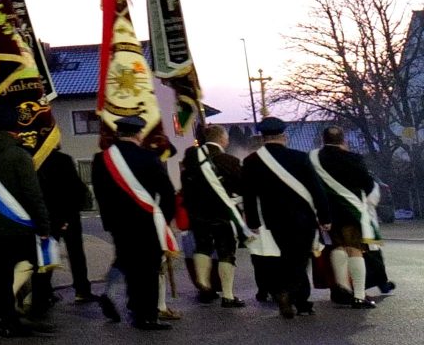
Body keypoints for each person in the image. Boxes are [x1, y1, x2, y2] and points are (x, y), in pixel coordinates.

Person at [0, 94, 54, 337]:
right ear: (15, 128)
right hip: (17, 228)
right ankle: (19, 313)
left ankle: (2, 317)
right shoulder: (19, 156)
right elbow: (33, 195)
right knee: (30, 265)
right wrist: (44, 226)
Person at [91, 116, 175, 329]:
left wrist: (109, 222)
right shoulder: (148, 157)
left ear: (118, 134)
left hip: (119, 223)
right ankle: (146, 315)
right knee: (148, 269)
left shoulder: (101, 159)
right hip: (147, 222)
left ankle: (124, 302)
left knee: (127, 262)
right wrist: (164, 220)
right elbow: (167, 192)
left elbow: (101, 195)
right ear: (138, 134)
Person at [239, 116, 321, 319]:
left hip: (273, 218)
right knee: (301, 258)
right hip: (303, 217)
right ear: (284, 136)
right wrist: (325, 216)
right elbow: (316, 189)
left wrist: (253, 221)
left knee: (285, 256)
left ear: (263, 138)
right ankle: (299, 299)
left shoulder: (251, 161)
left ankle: (286, 293)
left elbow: (249, 195)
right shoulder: (300, 157)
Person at [310, 125, 380, 310]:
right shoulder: (354, 158)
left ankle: (343, 287)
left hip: (327, 212)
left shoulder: (313, 159)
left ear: (323, 140)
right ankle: (358, 296)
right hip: (351, 210)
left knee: (337, 246)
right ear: (343, 140)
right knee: (355, 249)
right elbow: (367, 183)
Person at [179, 125, 249, 308]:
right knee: (226, 252)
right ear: (222, 139)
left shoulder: (191, 158)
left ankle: (203, 281)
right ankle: (228, 295)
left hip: (197, 213)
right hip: (222, 213)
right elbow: (242, 186)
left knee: (203, 247)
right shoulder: (229, 161)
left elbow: (185, 185)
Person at [36, 129, 95, 303]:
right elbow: (74, 188)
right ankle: (82, 290)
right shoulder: (63, 160)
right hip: (69, 215)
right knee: (76, 254)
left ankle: (44, 292)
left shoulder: (36, 161)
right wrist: (70, 215)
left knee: (47, 255)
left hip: (47, 216)